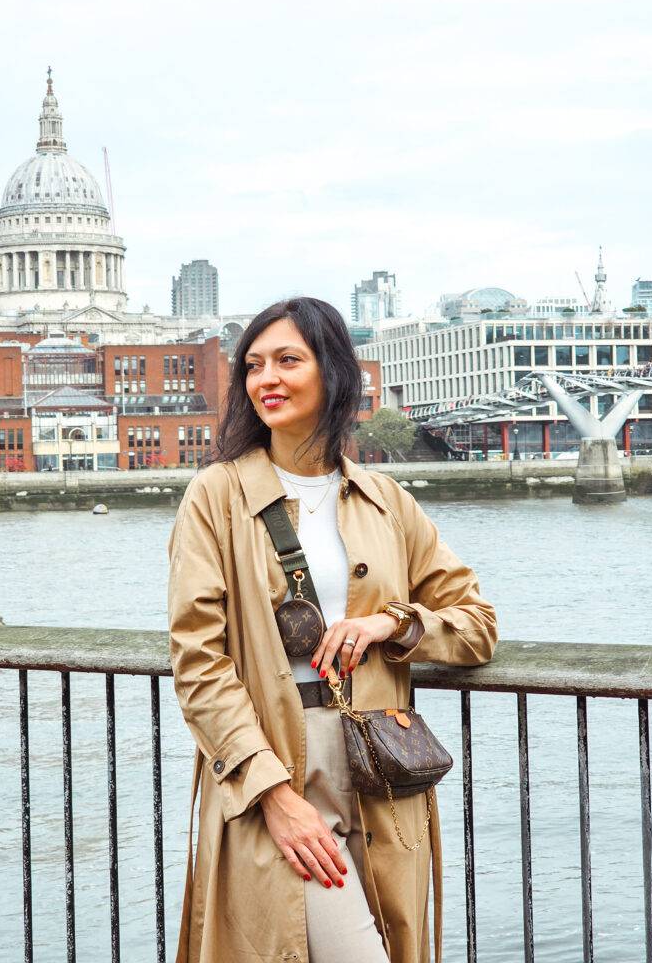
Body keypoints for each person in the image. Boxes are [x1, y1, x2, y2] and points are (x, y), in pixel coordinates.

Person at [168, 297, 498, 963]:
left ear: (334, 373)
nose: (268, 379)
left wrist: (391, 624)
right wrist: (273, 794)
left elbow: (476, 625)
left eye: (289, 360)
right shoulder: (216, 496)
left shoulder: (386, 500)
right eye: (254, 365)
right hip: (276, 764)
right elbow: (199, 663)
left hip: (379, 772)